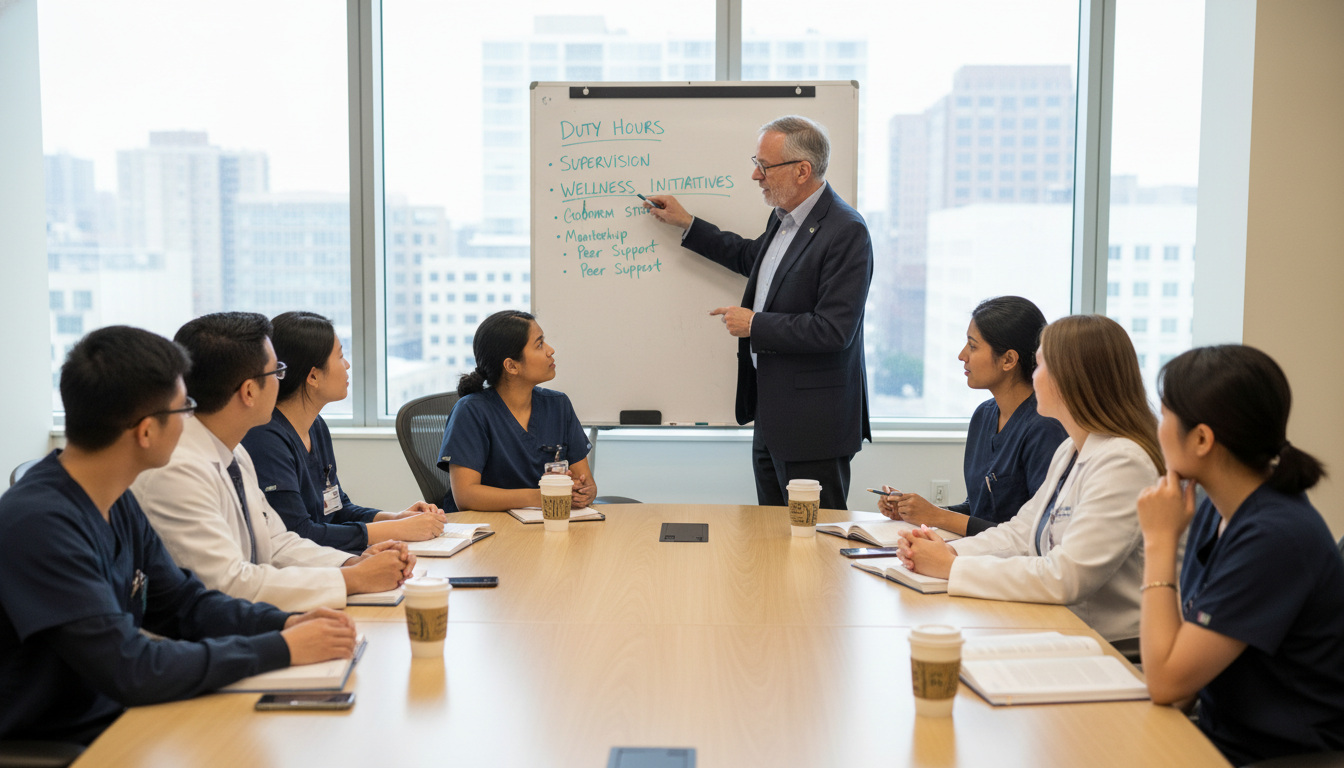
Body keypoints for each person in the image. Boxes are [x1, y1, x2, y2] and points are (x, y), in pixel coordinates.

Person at [0, 326, 358, 746]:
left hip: (119, 716)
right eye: (183, 408)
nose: (193, 418)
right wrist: (283, 647)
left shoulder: (114, 499)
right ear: (146, 431)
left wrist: (287, 623)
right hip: (62, 740)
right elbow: (130, 667)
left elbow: (184, 604)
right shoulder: (40, 524)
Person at [645, 114, 872, 511]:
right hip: (772, 414)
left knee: (813, 543)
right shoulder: (783, 219)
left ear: (803, 170)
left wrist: (755, 324)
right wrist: (687, 223)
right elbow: (753, 257)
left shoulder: (846, 230)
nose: (755, 175)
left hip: (814, 424)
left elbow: (835, 330)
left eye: (764, 166)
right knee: (771, 539)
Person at [1136, 345, 1344, 765]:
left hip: (1278, 755)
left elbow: (1167, 682)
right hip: (1217, 735)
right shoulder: (1216, 506)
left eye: (1164, 414)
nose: (1158, 428)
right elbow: (1180, 675)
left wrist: (1159, 541)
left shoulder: (1276, 536)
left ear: (1201, 439)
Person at [897, 314, 1163, 642]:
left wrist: (952, 568)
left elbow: (1065, 576)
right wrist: (949, 554)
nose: (1032, 379)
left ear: (1071, 379)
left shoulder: (1124, 462)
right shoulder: (1071, 451)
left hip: (1110, 648)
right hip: (1061, 629)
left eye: (1038, 367)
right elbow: (1020, 535)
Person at [132, 312, 414, 612]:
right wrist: (352, 580)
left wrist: (352, 562)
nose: (283, 381)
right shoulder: (176, 471)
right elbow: (229, 584)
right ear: (250, 391)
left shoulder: (232, 451)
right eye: (276, 372)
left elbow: (277, 542)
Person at [242, 311, 446, 553]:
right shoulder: (266, 439)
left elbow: (337, 509)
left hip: (332, 559)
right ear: (313, 375)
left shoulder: (315, 425)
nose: (347, 365)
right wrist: (398, 530)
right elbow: (298, 533)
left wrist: (397, 518)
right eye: (340, 356)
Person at [877, 296, 1066, 535]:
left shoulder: (1045, 428)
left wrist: (937, 516)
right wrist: (915, 512)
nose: (962, 355)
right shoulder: (983, 416)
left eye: (973, 346)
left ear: (1008, 359)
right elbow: (978, 510)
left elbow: (1039, 534)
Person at [437, 310, 595, 512]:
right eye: (539, 344)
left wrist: (583, 492)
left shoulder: (559, 405)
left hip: (543, 525)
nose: (550, 350)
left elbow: (587, 482)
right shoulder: (471, 412)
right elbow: (466, 496)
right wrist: (541, 496)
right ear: (511, 366)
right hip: (487, 530)